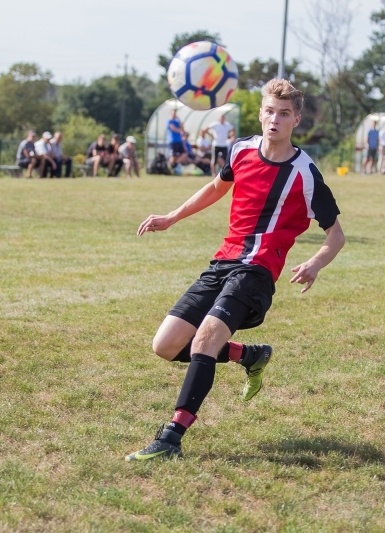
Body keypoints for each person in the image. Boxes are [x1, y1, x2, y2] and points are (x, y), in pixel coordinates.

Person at [126, 78, 345, 461]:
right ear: (261, 114)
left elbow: (336, 236)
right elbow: (215, 188)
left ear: (296, 120)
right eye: (269, 112)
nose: (274, 120)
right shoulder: (241, 150)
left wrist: (315, 262)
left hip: (257, 272)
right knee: (165, 345)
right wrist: (172, 217)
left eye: (284, 114)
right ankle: (248, 356)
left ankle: (171, 437)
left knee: (205, 338)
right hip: (223, 262)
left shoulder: (305, 173)